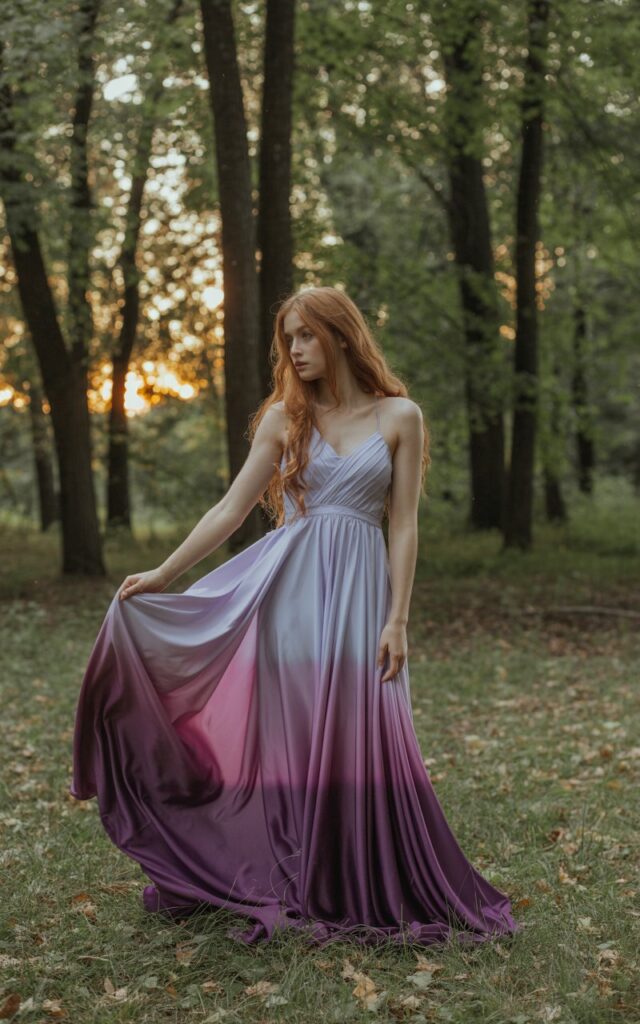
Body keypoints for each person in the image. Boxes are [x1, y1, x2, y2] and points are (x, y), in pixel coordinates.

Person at [70, 285, 521, 948]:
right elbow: (231, 510)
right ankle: (297, 872)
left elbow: (403, 525)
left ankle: (358, 876)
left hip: (362, 595)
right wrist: (166, 573)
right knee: (298, 740)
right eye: (289, 339)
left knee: (362, 730)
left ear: (341, 334)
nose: (297, 350)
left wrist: (398, 618)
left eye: (307, 335)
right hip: (290, 593)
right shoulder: (286, 418)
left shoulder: (400, 415)